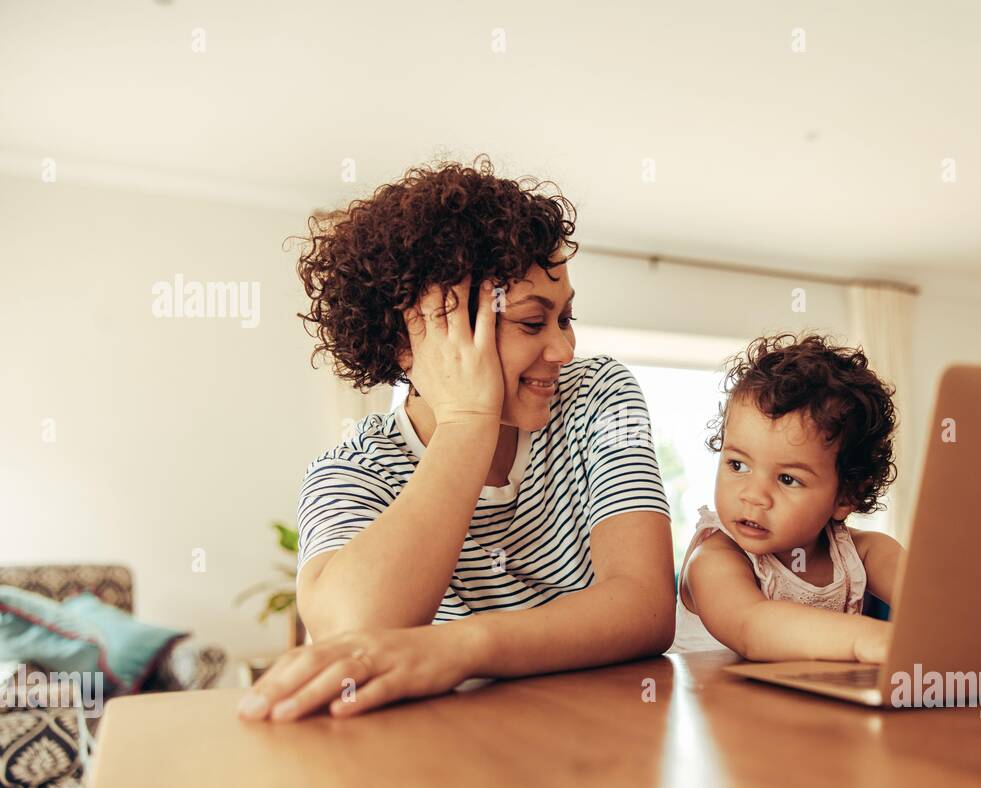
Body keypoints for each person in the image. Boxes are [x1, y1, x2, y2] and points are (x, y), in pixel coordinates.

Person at [238, 156, 675, 722]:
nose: (564, 350)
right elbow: (356, 632)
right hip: (453, 751)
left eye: (565, 317)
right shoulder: (352, 471)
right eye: (529, 322)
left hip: (606, 732)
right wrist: (468, 419)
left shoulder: (598, 396)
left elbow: (644, 606)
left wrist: (463, 646)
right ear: (411, 342)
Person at [675, 333, 904, 662]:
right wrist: (865, 637)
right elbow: (752, 628)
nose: (753, 496)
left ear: (847, 495)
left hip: (801, 706)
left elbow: (938, 607)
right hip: (714, 707)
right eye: (737, 465)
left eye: (787, 479)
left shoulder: (864, 553)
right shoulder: (715, 558)